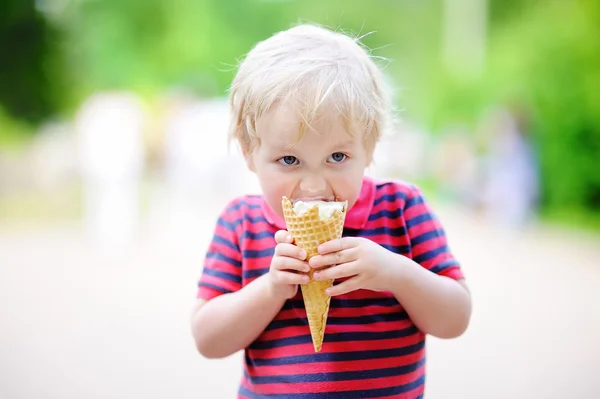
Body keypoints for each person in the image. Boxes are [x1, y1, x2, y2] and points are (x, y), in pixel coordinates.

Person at [190, 24, 472, 398]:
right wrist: (271, 289)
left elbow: (455, 319)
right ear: (249, 154)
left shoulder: (402, 209)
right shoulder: (241, 223)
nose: (314, 186)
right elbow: (208, 339)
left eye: (337, 157)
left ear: (369, 148)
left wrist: (396, 273)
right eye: (289, 159)